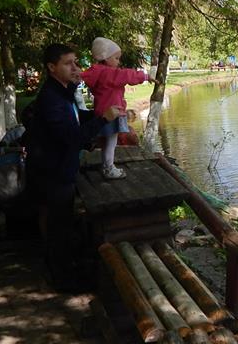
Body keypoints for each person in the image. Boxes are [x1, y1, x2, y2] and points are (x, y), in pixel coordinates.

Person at [23, 43, 124, 289]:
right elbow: (73, 136)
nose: (75, 68)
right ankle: (64, 280)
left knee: (61, 225)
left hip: (59, 170)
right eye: (68, 63)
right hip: (53, 174)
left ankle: (63, 270)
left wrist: (100, 114)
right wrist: (103, 119)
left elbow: (76, 117)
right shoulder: (52, 99)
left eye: (76, 62)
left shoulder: (62, 92)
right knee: (59, 229)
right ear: (51, 67)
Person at [81, 37, 149, 179]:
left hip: (102, 112)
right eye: (116, 58)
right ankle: (109, 168)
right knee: (111, 142)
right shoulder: (108, 73)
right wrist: (145, 76)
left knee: (107, 142)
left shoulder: (98, 72)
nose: (119, 62)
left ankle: (106, 165)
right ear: (106, 58)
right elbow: (126, 75)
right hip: (112, 113)